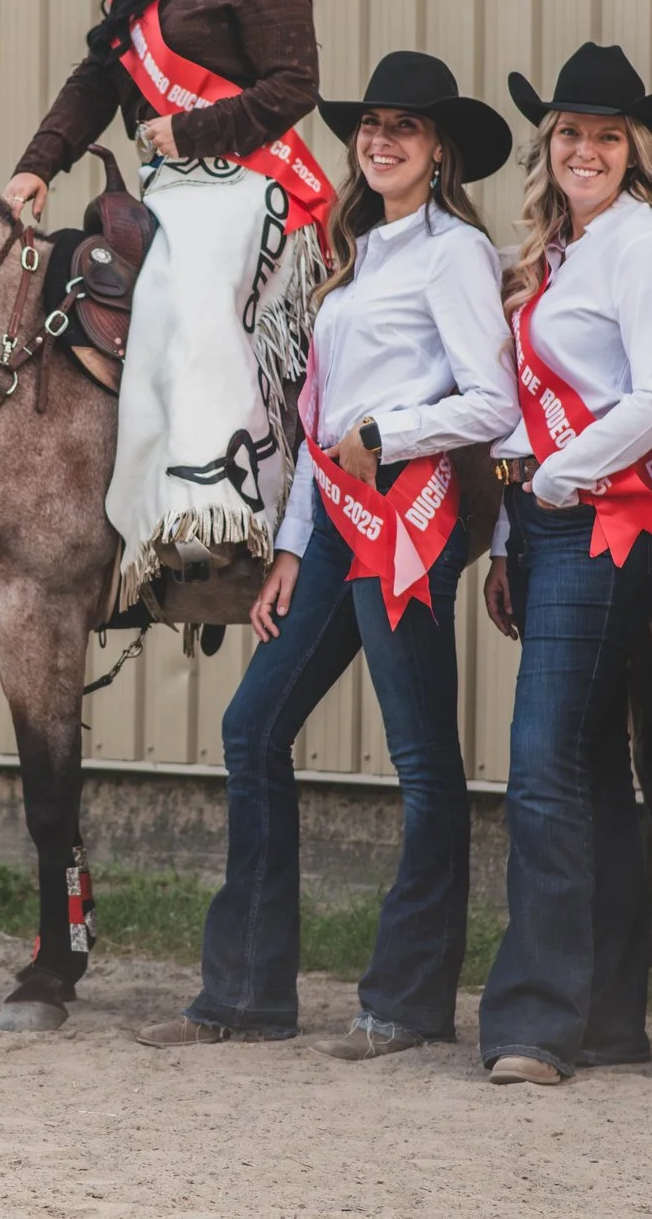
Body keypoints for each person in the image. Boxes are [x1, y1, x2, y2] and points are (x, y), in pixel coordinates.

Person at [133, 53, 513, 1055]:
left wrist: (389, 434)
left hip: (404, 516)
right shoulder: (353, 255)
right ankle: (248, 990)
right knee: (252, 727)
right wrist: (293, 549)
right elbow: (315, 421)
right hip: (336, 516)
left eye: (406, 128)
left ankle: (406, 1000)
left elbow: (492, 401)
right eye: (372, 124)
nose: (381, 139)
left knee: (421, 758)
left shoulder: (455, 254)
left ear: (440, 153)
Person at [2, 0, 332, 616]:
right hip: (169, 192)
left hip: (253, 184)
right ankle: (131, 518)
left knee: (186, 296)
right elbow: (93, 84)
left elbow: (295, 88)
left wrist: (190, 128)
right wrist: (39, 165)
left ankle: (214, 505)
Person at [475, 41, 652, 1087]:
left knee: (542, 763)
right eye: (568, 131)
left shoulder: (646, 249)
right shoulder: (558, 254)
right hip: (545, 521)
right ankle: (612, 1006)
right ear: (548, 143)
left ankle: (534, 1019)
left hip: (607, 523)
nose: (583, 148)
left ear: (633, 150)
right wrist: (504, 535)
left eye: (605, 135)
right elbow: (521, 406)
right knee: (594, 770)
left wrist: (562, 479)